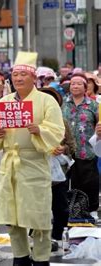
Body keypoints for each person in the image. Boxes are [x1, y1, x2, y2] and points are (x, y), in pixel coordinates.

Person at [0, 52, 65, 266]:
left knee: (39, 216)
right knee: (13, 215)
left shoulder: (47, 101)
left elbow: (56, 130)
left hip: (34, 162)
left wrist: (39, 130)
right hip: (9, 164)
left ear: (33, 77)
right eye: (15, 75)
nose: (18, 78)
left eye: (23, 75)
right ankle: (20, 255)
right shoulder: (5, 102)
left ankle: (41, 257)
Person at [39, 86, 75, 250]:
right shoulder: (32, 123)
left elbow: (71, 145)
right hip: (36, 169)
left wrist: (63, 149)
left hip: (58, 171)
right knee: (38, 206)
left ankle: (58, 235)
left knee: (60, 206)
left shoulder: (62, 122)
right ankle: (39, 237)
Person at [62, 73, 99, 221]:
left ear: (85, 87)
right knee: (68, 181)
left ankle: (92, 209)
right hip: (66, 151)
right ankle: (73, 210)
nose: (75, 86)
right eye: (72, 84)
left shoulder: (94, 105)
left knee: (89, 181)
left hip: (86, 149)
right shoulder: (64, 104)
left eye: (79, 84)